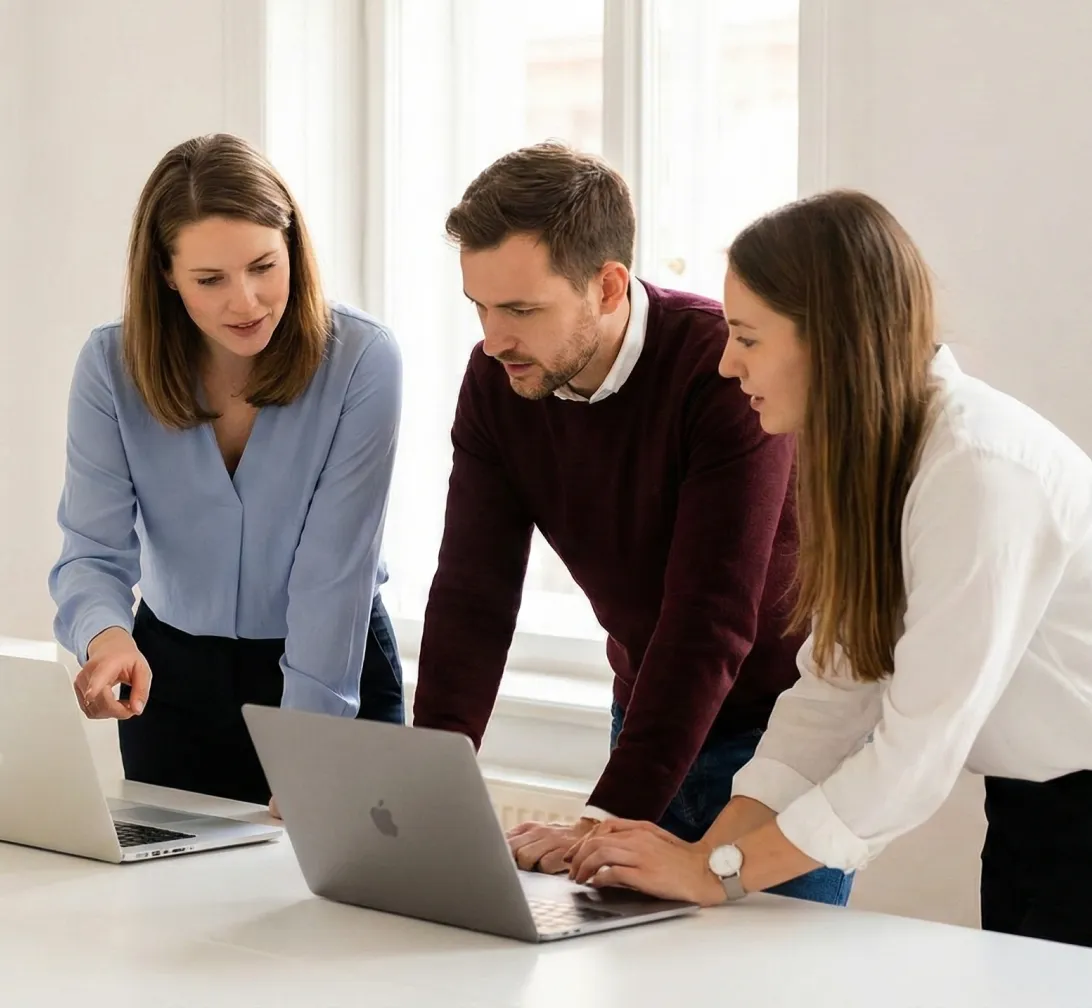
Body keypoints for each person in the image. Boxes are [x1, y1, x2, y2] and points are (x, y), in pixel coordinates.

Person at [567, 188, 1092, 948]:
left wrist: (718, 871)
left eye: (747, 337)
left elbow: (914, 754)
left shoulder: (978, 470)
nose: (725, 362)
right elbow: (834, 694)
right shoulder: (870, 460)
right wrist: (702, 859)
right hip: (1031, 804)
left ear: (833, 339)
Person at [410, 142, 851, 906]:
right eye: (479, 306)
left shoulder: (725, 369)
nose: (492, 338)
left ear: (608, 285)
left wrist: (608, 814)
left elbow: (710, 616)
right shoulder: (499, 380)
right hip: (647, 718)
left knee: (779, 981)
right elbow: (471, 596)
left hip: (779, 743)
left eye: (520, 309)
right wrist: (425, 792)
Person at [49, 133, 404, 813]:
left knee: (345, 908)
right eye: (210, 280)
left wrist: (308, 748)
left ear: (292, 246)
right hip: (170, 683)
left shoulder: (363, 361)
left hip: (332, 668)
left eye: (264, 266)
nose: (246, 302)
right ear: (166, 274)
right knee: (172, 908)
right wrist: (107, 636)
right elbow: (91, 551)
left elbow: (334, 573)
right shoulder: (108, 367)